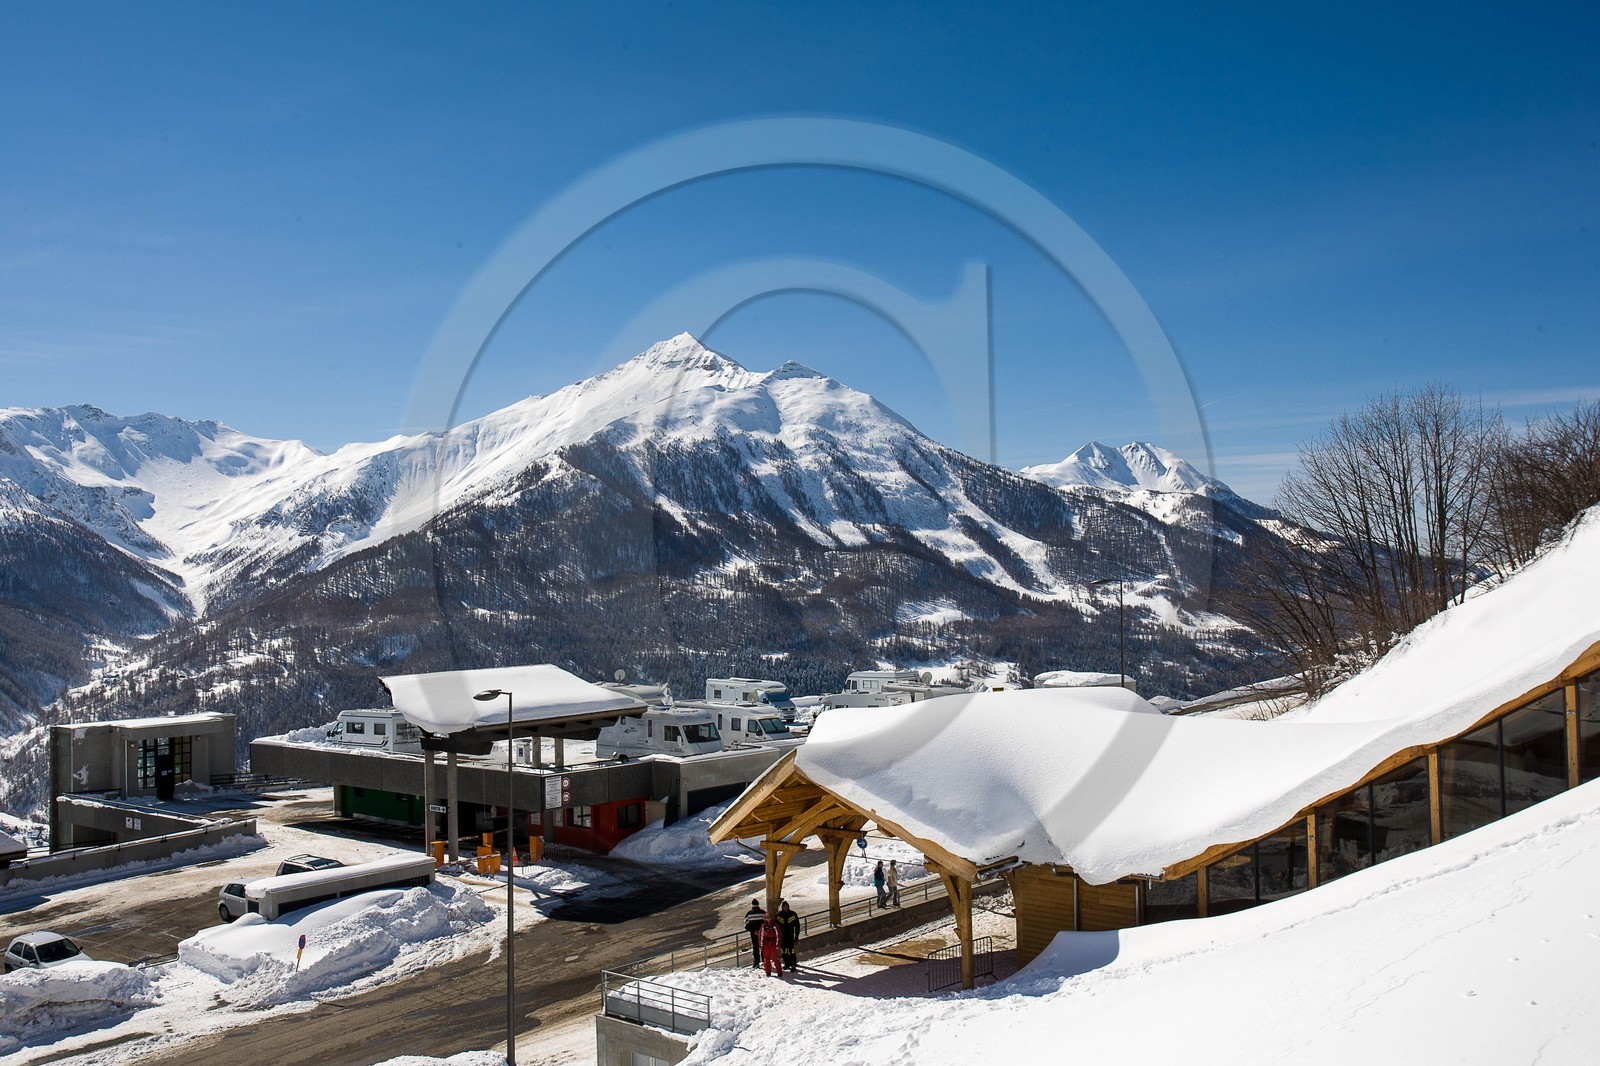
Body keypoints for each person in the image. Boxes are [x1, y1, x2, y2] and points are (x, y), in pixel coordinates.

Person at [775, 898, 800, 972]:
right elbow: (775, 926)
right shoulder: (779, 915)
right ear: (782, 907)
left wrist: (796, 936)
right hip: (782, 937)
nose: (785, 908)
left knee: (791, 951)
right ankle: (787, 963)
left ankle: (793, 964)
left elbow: (797, 926)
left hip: (790, 936)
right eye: (784, 907)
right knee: (784, 951)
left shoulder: (793, 914)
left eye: (787, 906)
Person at [759, 911, 783, 976]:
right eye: (766, 917)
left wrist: (778, 944)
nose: (768, 919)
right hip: (766, 944)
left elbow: (779, 935)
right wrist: (761, 945)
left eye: (769, 917)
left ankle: (779, 972)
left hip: (773, 944)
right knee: (766, 959)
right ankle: (768, 972)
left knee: (775, 959)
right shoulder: (764, 926)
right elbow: (761, 936)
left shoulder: (775, 925)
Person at [743, 898, 765, 967]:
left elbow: (746, 925)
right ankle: (765, 961)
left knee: (755, 948)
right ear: (758, 905)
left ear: (752, 905)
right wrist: (761, 930)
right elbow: (767, 923)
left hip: (753, 934)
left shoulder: (749, 914)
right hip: (762, 933)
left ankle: (756, 963)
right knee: (763, 947)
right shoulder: (763, 912)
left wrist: (754, 931)